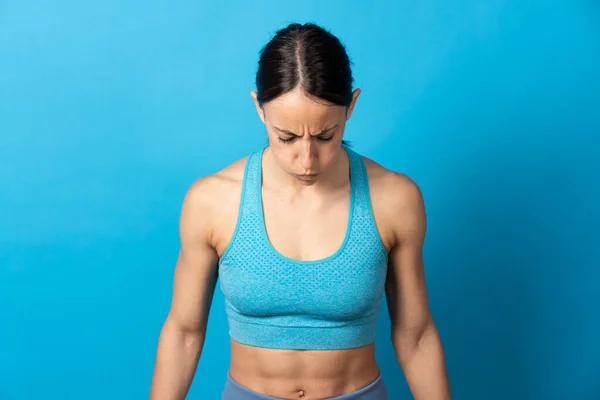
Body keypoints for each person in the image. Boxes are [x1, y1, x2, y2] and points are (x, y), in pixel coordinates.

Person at [149, 22, 452, 400]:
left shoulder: (394, 199)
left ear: (351, 107)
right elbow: (183, 332)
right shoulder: (211, 200)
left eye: (325, 136)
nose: (306, 160)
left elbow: (416, 335)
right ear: (259, 108)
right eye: (286, 137)